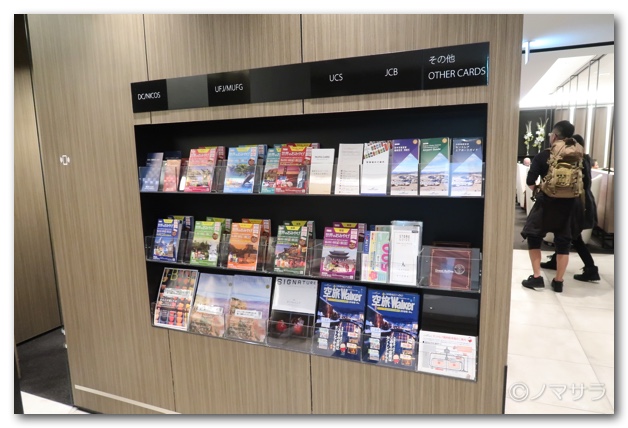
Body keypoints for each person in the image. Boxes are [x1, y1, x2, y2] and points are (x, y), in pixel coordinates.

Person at [520, 120, 585, 293]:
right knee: (564, 242)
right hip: (570, 205)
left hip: (546, 203)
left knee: (534, 236)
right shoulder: (579, 156)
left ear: (554, 136)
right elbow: (584, 182)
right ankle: (558, 281)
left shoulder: (544, 155)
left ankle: (536, 277)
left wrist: (541, 190)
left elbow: (530, 180)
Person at [540, 134, 600, 281]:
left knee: (574, 237)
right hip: (581, 202)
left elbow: (582, 184)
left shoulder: (578, 160)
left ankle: (591, 268)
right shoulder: (584, 158)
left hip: (579, 204)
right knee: (566, 233)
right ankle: (556, 261)